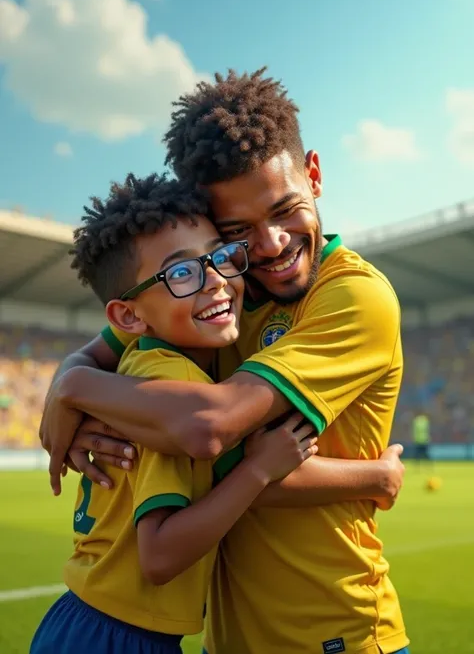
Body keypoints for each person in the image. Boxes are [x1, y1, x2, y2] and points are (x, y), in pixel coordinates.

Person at [41, 68, 409, 654]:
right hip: (228, 636)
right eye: (238, 231)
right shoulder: (223, 295)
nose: (269, 245)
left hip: (330, 628)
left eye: (285, 209)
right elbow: (97, 351)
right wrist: (68, 384)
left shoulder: (353, 297)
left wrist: (77, 392)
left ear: (314, 174)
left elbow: (209, 430)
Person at [30, 173, 319, 654]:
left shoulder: (140, 366)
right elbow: (160, 555)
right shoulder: (174, 386)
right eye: (182, 273)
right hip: (117, 637)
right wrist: (259, 469)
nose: (217, 281)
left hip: (86, 620)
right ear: (129, 317)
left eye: (219, 256)